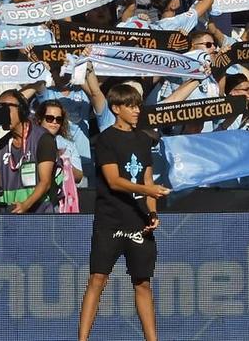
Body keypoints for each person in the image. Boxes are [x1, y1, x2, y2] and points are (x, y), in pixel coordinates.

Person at [77, 82, 166, 341]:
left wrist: (152, 213)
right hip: (110, 219)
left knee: (143, 283)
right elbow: (114, 181)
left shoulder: (143, 139)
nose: (137, 110)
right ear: (116, 109)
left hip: (138, 220)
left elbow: (148, 181)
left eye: (138, 105)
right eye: (131, 106)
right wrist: (149, 191)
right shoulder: (105, 140)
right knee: (97, 279)